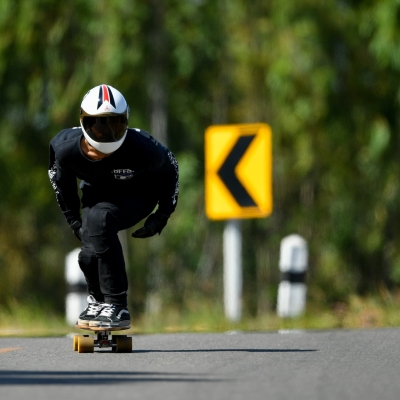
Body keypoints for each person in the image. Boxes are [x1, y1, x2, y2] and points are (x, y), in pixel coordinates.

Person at [48, 84, 179, 328]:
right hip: (96, 193)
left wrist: (162, 214)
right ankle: (98, 301)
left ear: (126, 122)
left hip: (137, 194)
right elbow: (63, 187)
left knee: (99, 219)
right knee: (87, 252)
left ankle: (117, 306)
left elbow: (171, 169)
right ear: (85, 123)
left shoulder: (143, 147)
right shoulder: (64, 150)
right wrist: (75, 223)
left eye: (115, 124)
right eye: (98, 125)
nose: (106, 133)